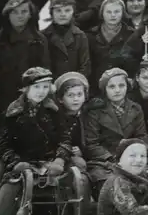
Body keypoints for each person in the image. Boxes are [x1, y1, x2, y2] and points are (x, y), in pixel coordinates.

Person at [0, 67, 71, 215]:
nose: (41, 91)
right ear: (26, 88)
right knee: (7, 196)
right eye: (36, 87)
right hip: (21, 162)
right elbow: (3, 144)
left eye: (45, 87)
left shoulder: (54, 110)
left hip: (49, 162)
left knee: (71, 191)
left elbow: (65, 138)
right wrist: (16, 163)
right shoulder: (13, 112)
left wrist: (60, 159)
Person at [84, 68, 146, 198]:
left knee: (147, 182)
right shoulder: (95, 111)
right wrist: (112, 159)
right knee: (109, 184)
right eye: (111, 86)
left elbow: (140, 138)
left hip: (132, 158)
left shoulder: (136, 108)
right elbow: (91, 143)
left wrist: (131, 157)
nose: (117, 90)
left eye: (121, 85)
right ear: (104, 89)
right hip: (104, 161)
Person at [0, 0, 50, 130]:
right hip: (4, 99)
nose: (20, 16)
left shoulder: (39, 39)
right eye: (15, 12)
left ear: (30, 14)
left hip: (31, 98)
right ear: (8, 15)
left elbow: (45, 71)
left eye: (24, 11)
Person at [53, 71, 92, 213]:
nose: (76, 99)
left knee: (80, 170)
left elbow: (91, 139)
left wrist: (82, 150)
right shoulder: (56, 116)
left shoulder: (87, 116)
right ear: (61, 99)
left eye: (79, 95)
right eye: (70, 95)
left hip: (78, 158)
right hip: (58, 157)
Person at [87, 0, 135, 95]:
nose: (113, 15)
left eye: (117, 11)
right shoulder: (90, 35)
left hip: (121, 88)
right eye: (108, 12)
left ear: (123, 13)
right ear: (102, 14)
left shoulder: (132, 35)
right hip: (95, 88)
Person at [42, 0, 91, 79]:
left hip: (74, 85)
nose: (63, 14)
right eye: (58, 11)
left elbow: (85, 66)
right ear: (52, 13)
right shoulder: (43, 36)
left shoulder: (80, 36)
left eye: (67, 10)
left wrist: (74, 83)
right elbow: (42, 67)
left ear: (73, 12)